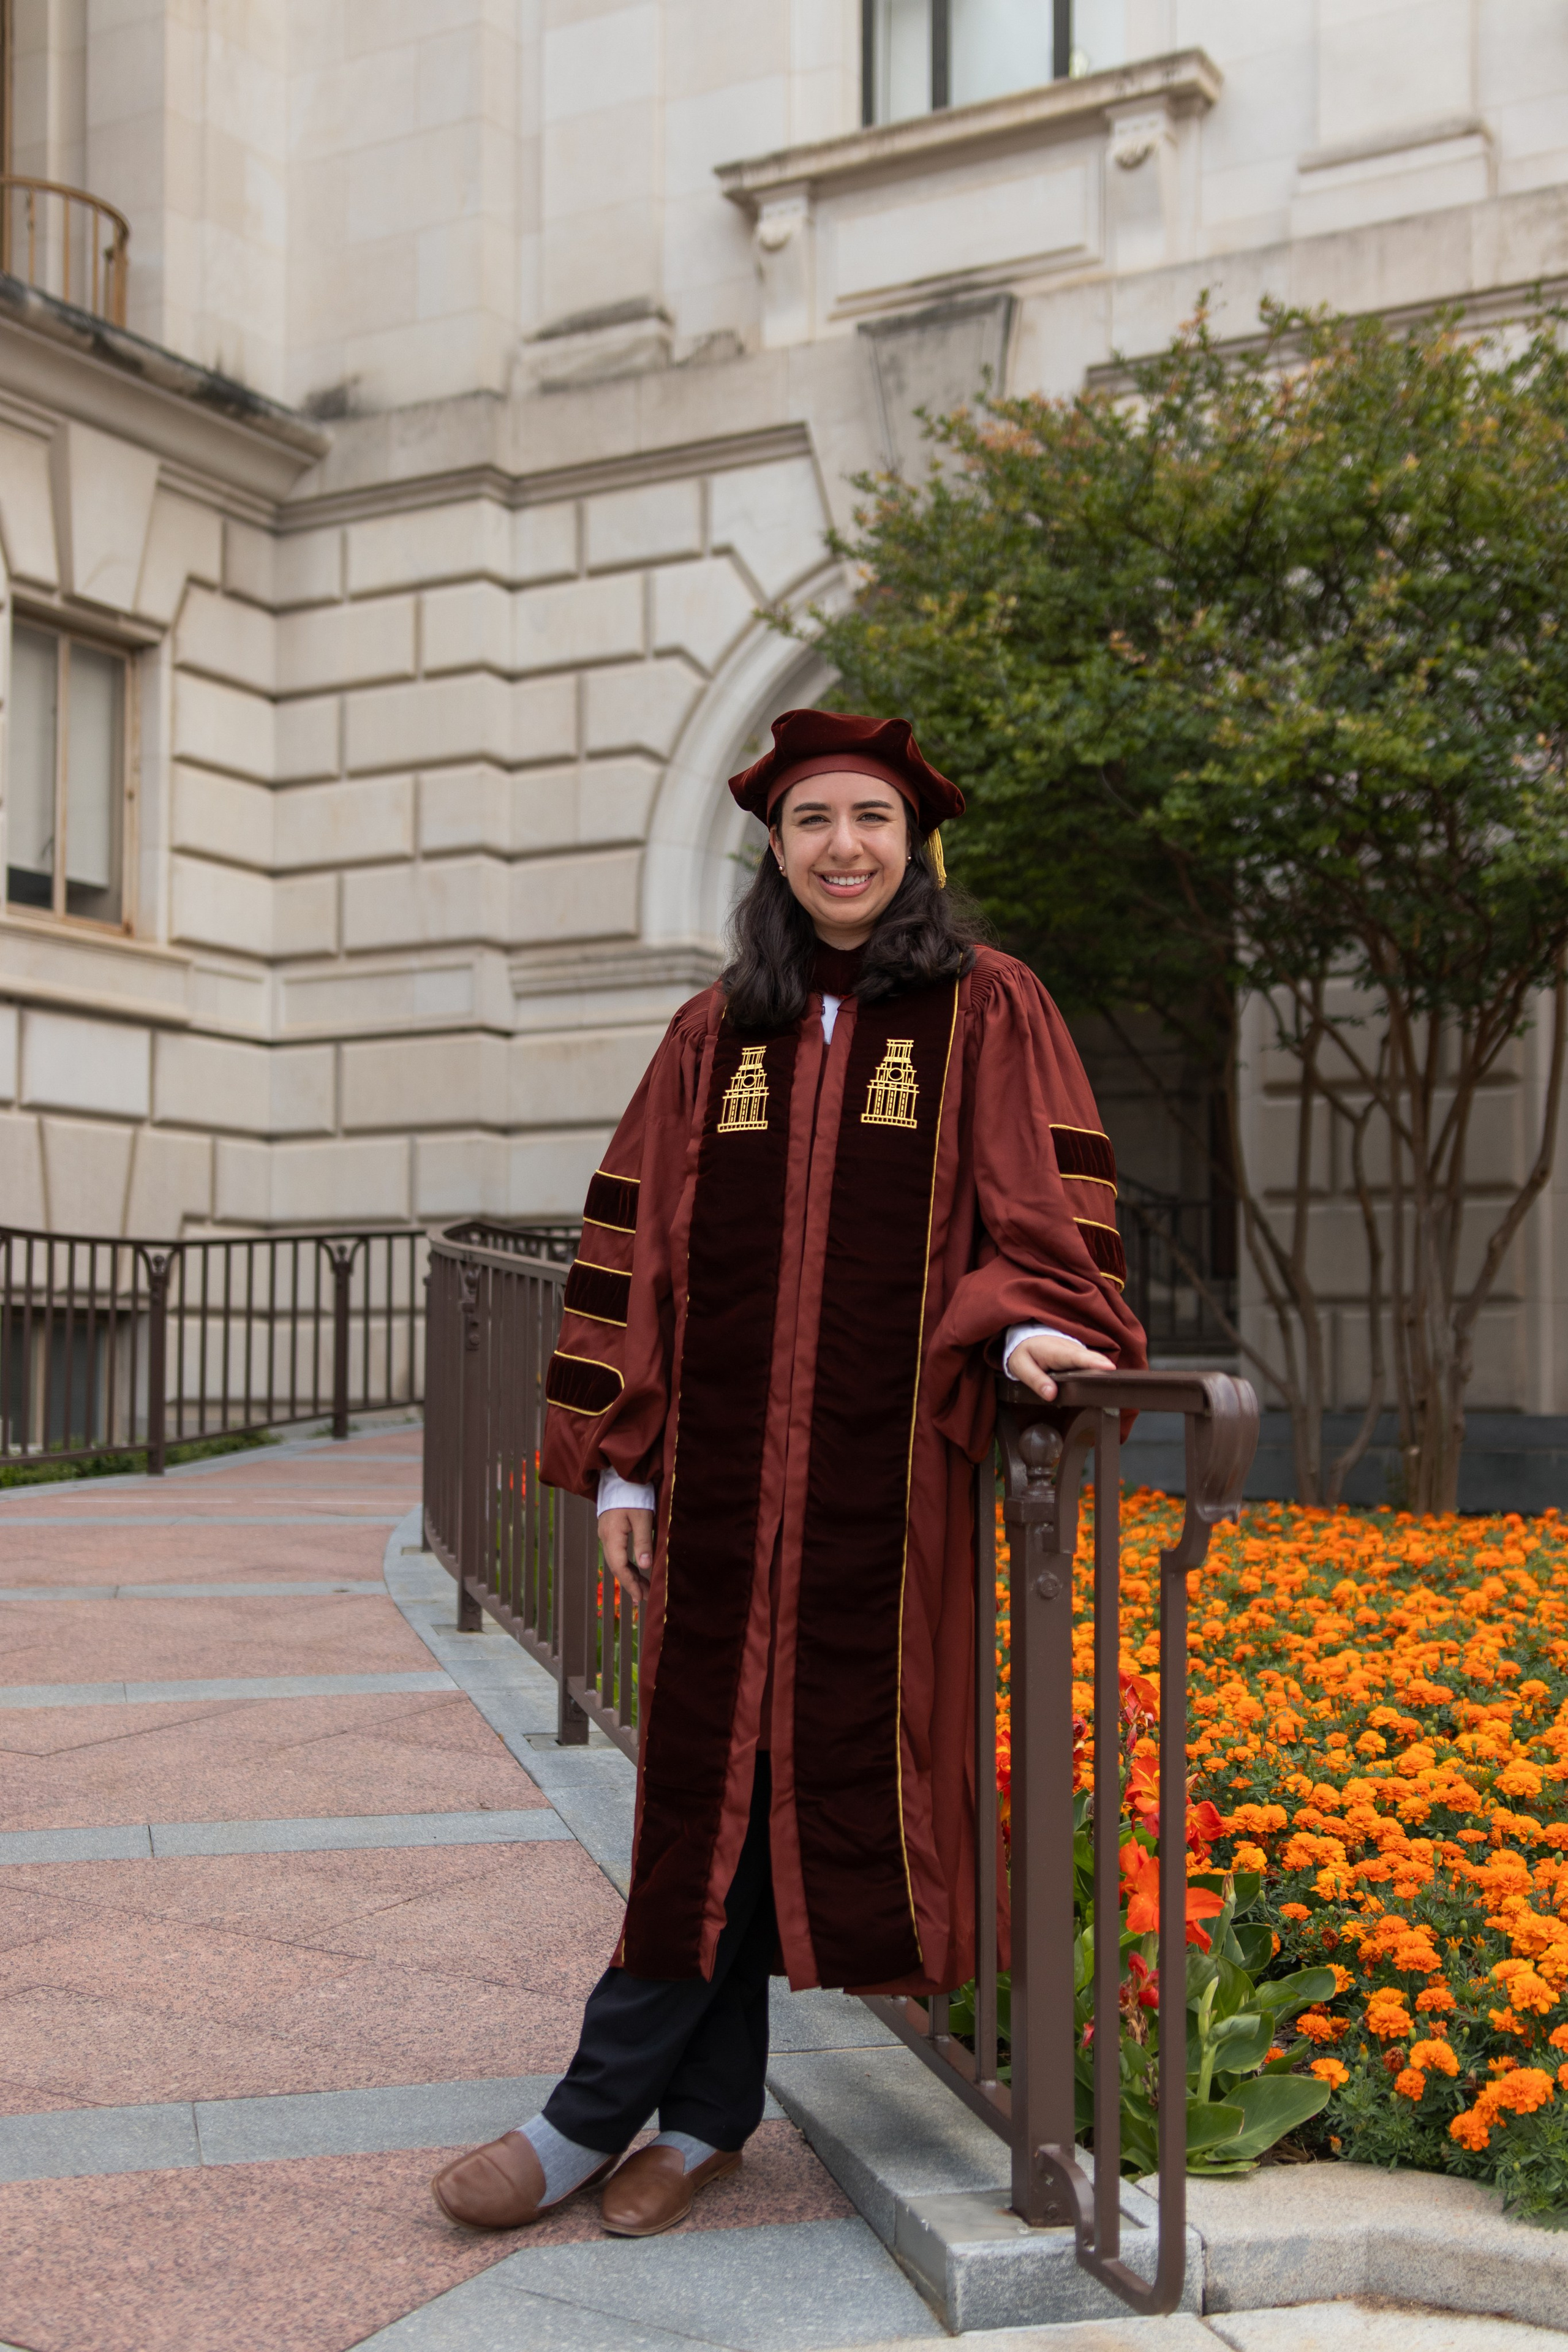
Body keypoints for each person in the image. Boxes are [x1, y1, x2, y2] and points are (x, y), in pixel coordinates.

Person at [431, 707, 1146, 2239]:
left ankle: (598, 2116)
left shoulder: (985, 1007)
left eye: (870, 822)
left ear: (915, 846)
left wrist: (1027, 1323)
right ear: (775, 845)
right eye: (813, 820)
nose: (842, 846)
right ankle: (690, 2117)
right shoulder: (716, 1031)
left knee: (785, 1778)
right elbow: (637, 1257)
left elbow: (1044, 1213)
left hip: (885, 1505)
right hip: (718, 1487)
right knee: (709, 1783)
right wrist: (622, 1473)